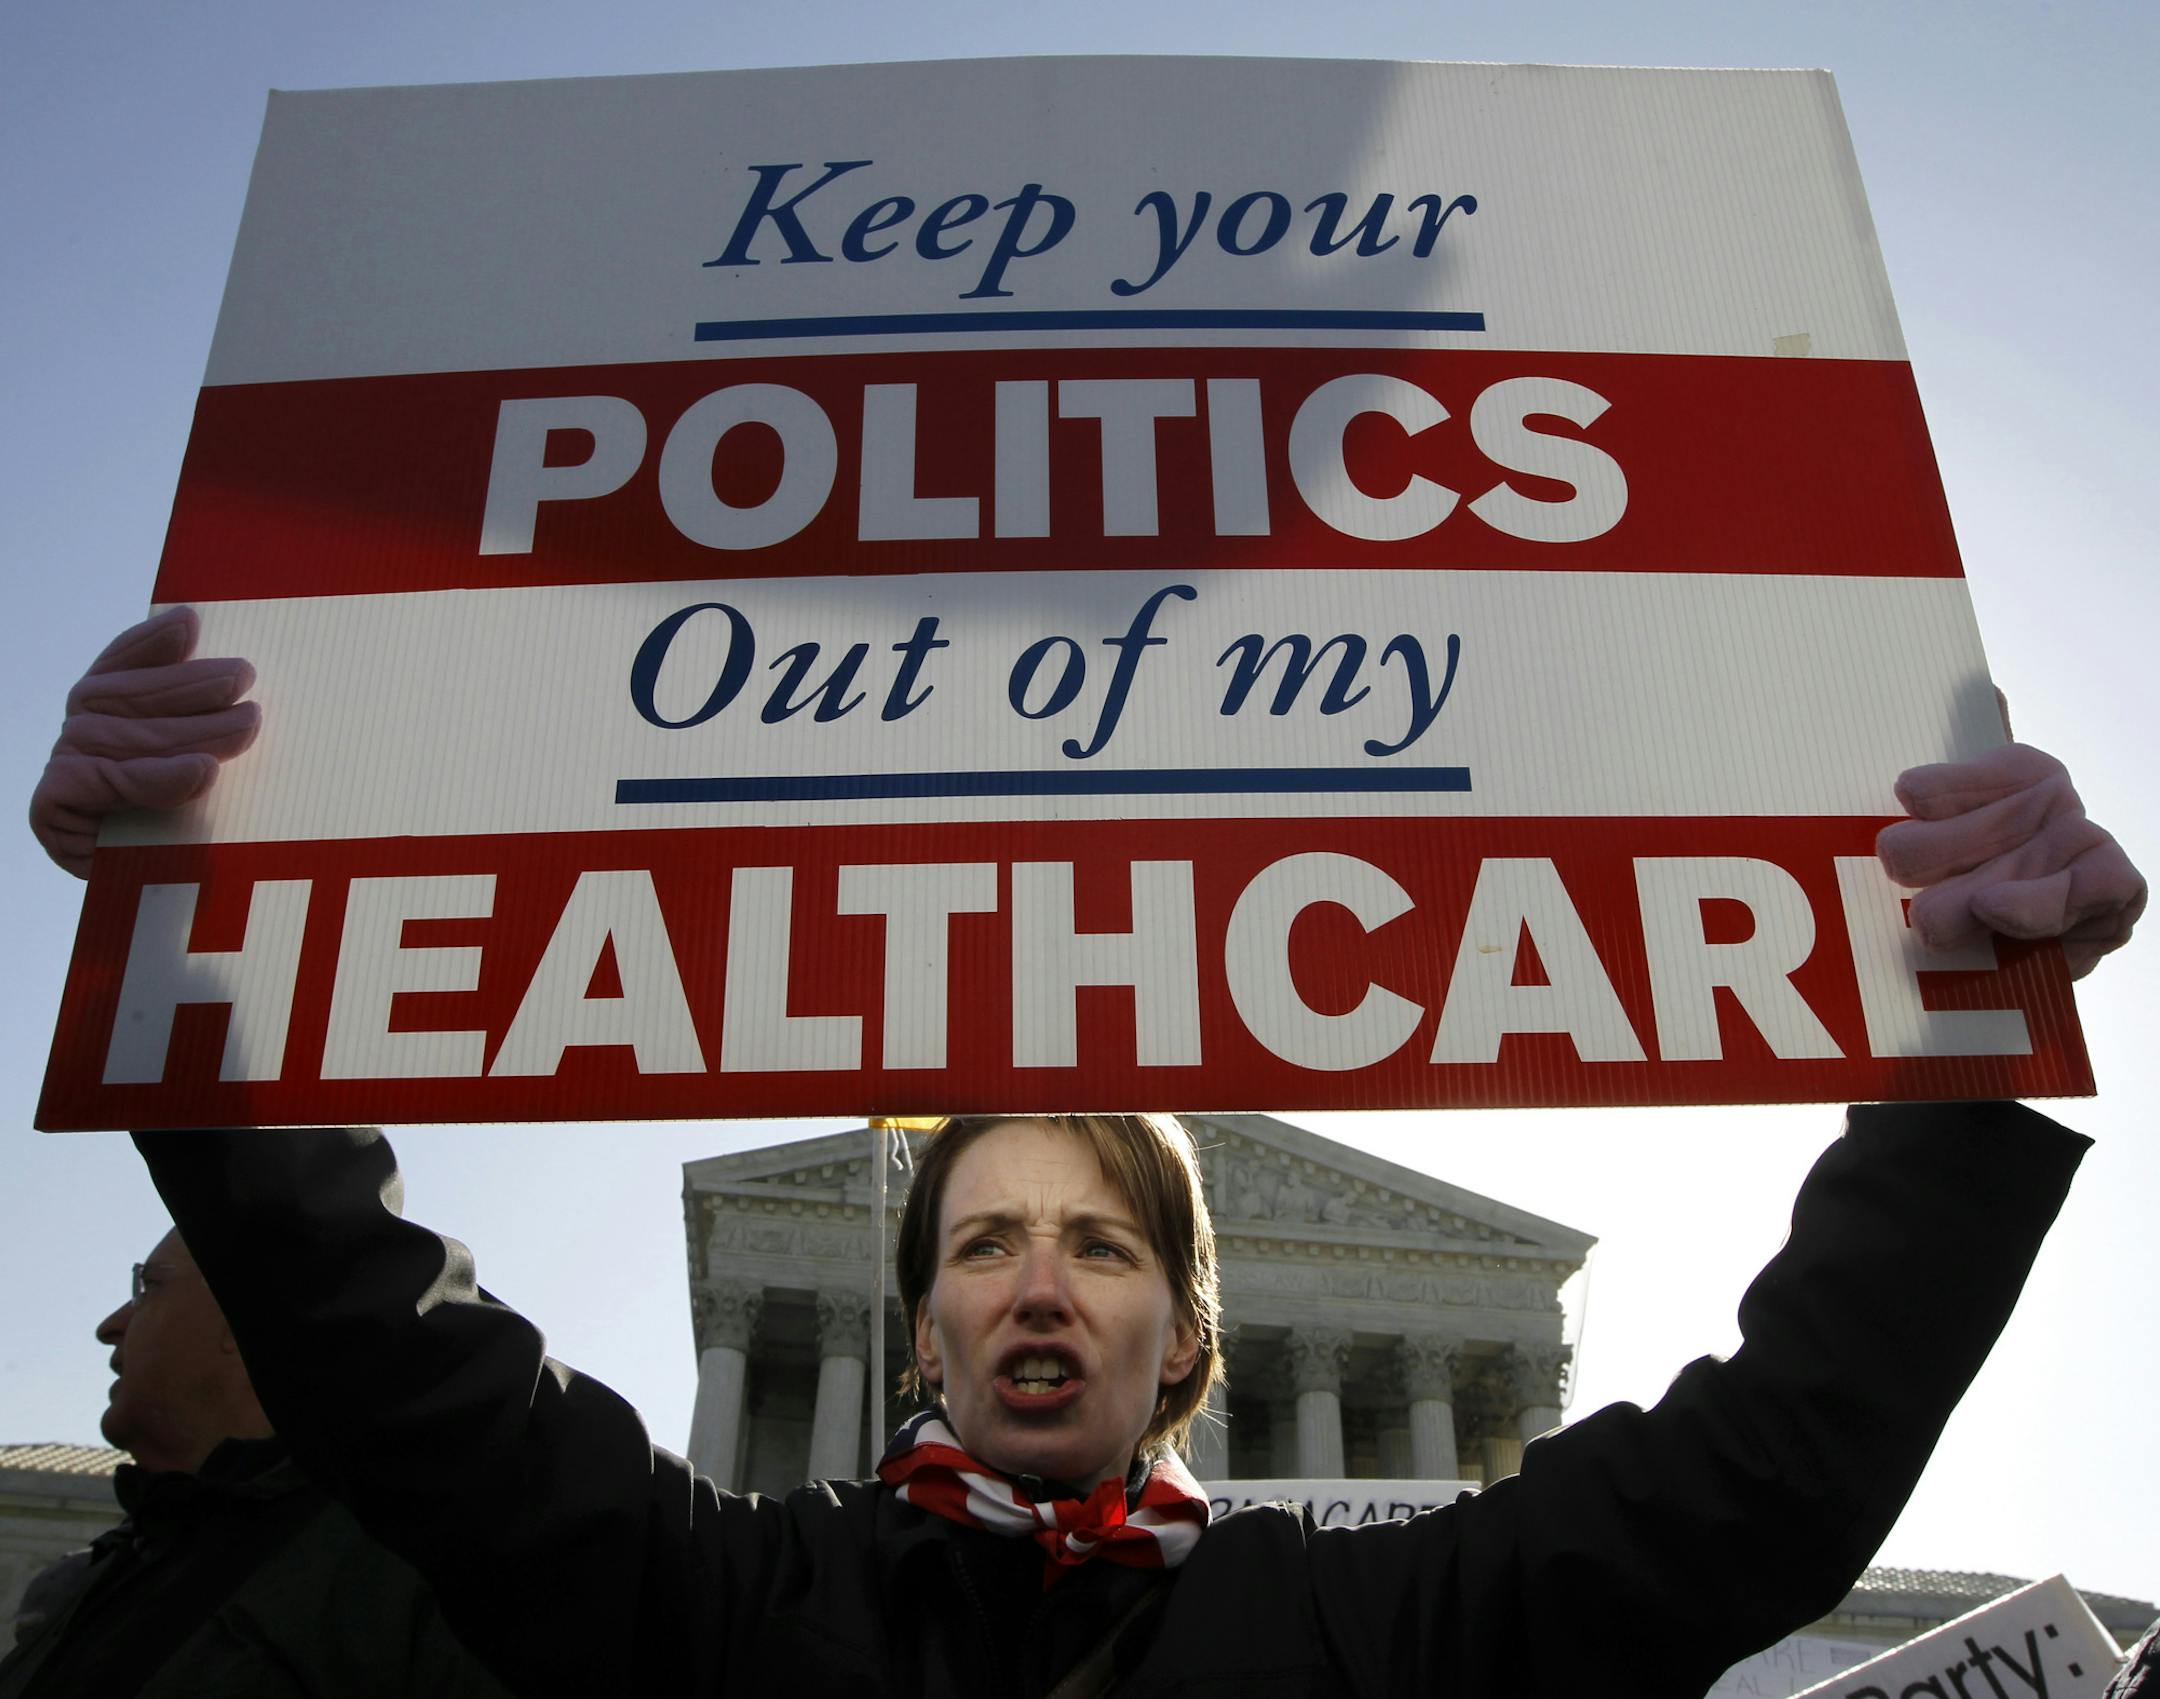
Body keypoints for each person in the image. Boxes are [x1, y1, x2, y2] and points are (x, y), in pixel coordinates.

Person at [27, 611, 2147, 1699]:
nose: (1041, 1282)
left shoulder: (1367, 1630)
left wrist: (1963, 1041)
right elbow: (391, 1368)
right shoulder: (733, 1609)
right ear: (926, 1321)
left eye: (1106, 1247)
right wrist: (188, 930)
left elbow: (1763, 1480)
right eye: (988, 1242)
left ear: (1191, 1334)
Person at [0, 1226, 510, 1697]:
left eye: (149, 1286)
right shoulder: (96, 1577)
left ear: (245, 1320)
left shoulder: (417, 1571)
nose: (109, 1327)